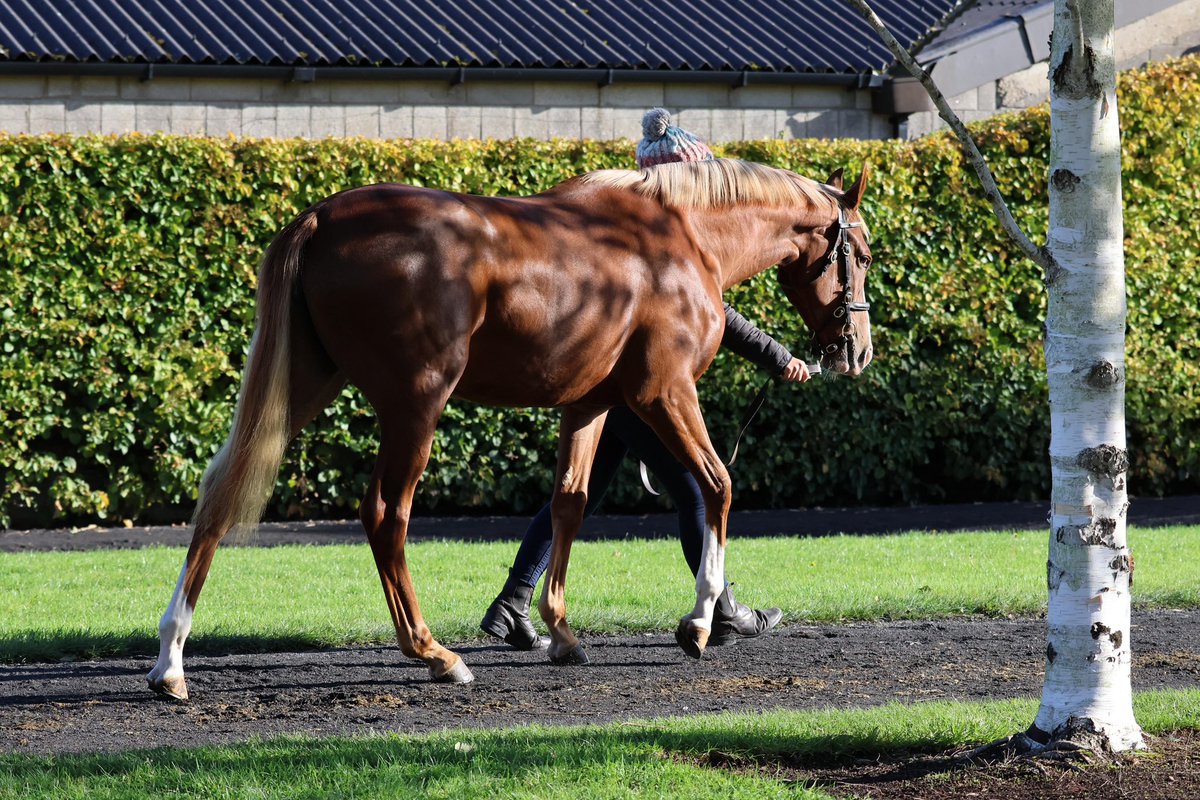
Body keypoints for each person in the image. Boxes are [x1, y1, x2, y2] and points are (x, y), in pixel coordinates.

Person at [481, 109, 811, 651]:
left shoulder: (629, 226)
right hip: (627, 385)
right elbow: (715, 316)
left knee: (578, 491)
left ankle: (514, 601)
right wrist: (777, 357)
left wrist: (777, 357)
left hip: (603, 383)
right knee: (693, 487)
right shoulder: (654, 234)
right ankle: (722, 609)